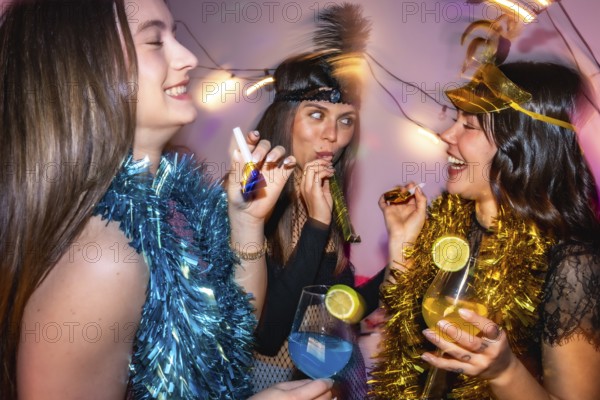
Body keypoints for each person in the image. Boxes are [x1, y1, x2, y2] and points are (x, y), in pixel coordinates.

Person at [1, 0, 334, 398]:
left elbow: (236, 332)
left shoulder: (176, 202)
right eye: (155, 41)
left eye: (173, 35)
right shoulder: (104, 257)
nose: (189, 57)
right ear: (82, 69)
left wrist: (246, 219)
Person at [369, 61, 600, 399]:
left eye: (470, 125)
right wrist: (402, 244)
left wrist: (504, 371)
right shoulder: (449, 221)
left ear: (521, 146)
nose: (447, 136)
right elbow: (399, 329)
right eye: (454, 121)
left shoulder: (573, 264)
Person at [251, 5, 384, 398]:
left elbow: (337, 306)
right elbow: (270, 333)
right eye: (316, 114)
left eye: (346, 120)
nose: (333, 136)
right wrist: (317, 226)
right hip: (270, 384)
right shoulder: (252, 193)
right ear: (285, 116)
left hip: (319, 373)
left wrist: (402, 262)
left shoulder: (327, 194)